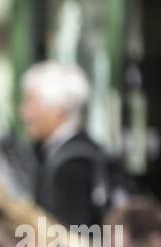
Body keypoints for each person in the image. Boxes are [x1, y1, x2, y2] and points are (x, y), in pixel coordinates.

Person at [19, 61, 114, 226]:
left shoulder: (73, 164)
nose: (24, 112)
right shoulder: (75, 151)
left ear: (59, 110)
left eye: (31, 102)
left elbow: (72, 239)